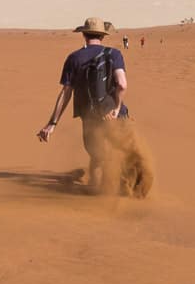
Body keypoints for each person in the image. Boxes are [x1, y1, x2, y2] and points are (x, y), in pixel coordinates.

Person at [38, 17, 129, 190]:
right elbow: (122, 84)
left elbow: (66, 93)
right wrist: (116, 109)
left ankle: (99, 187)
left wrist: (52, 124)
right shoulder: (114, 54)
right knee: (124, 152)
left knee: (98, 156)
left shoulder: (74, 58)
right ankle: (133, 187)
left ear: (84, 35)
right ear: (102, 36)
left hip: (91, 119)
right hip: (116, 115)